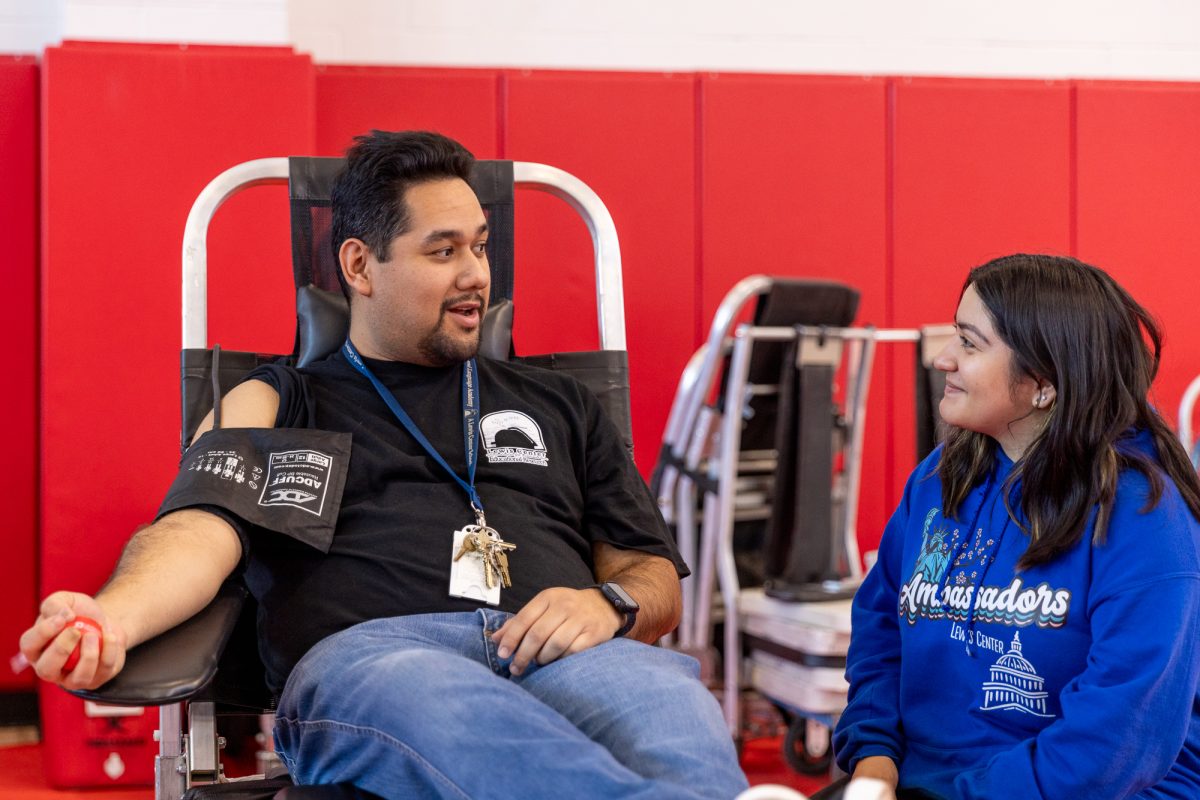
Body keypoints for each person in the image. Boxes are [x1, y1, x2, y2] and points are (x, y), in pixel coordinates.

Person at [20, 130, 749, 799]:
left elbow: (651, 578)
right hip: (376, 663)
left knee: (672, 707)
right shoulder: (278, 400)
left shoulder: (561, 403)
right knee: (446, 707)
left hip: (564, 652)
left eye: (481, 247)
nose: (475, 276)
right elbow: (193, 535)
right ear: (360, 265)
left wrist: (609, 603)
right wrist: (109, 617)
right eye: (443, 251)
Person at [833, 253, 1200, 799]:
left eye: (970, 342)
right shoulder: (938, 479)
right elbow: (880, 629)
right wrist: (874, 765)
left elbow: (1114, 743)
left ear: (1043, 383)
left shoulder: (1145, 516)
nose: (942, 358)